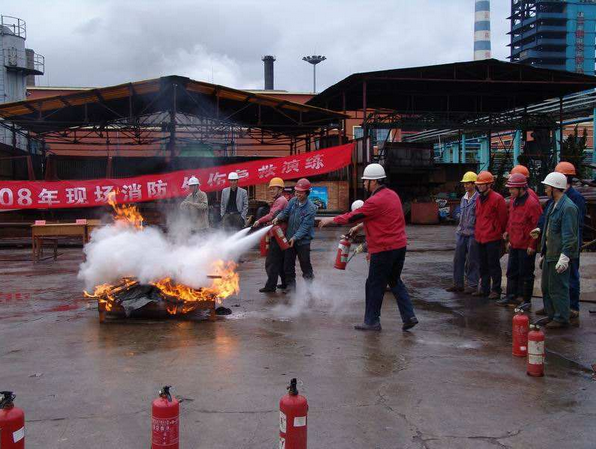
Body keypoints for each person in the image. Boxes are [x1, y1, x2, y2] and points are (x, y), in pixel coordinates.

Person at [319, 163, 418, 332]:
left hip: (383, 248)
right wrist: (359, 227)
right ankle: (409, 316)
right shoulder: (392, 195)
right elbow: (381, 217)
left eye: (365, 181)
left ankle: (372, 321)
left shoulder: (375, 200)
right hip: (399, 246)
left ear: (374, 182)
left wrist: (331, 220)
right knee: (395, 281)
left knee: (373, 284)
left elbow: (354, 215)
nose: (364, 184)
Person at [532, 161, 586, 326]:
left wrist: (565, 256)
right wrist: (543, 245)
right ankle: (551, 313)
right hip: (550, 252)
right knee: (547, 286)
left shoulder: (568, 207)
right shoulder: (553, 204)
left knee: (560, 287)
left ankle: (561, 317)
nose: (545, 189)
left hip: (560, 253)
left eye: (547, 187)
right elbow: (548, 227)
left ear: (555, 188)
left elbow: (570, 234)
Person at [497, 173, 542, 309]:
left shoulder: (532, 204)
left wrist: (532, 245)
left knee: (526, 273)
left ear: (522, 188)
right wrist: (509, 236)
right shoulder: (514, 201)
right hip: (515, 243)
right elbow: (512, 221)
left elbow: (537, 227)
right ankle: (511, 296)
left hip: (526, 245)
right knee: (512, 271)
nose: (510, 191)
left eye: (512, 189)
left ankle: (526, 300)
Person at [272, 178, 316, 292]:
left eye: (301, 192)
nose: (297, 194)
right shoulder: (293, 201)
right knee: (288, 266)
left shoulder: (311, 208)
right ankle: (291, 288)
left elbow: (305, 227)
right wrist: (278, 217)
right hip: (289, 239)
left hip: (303, 242)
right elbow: (285, 212)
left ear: (307, 193)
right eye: (296, 191)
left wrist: (295, 238)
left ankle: (309, 288)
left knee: (305, 266)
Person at [473, 171, 508, 300]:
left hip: (492, 237)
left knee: (493, 265)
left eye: (482, 184)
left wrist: (501, 233)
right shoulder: (478, 199)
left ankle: (496, 290)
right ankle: (484, 289)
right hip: (480, 237)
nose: (480, 187)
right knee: (483, 265)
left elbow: (503, 218)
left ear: (489, 185)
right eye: (479, 185)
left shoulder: (497, 199)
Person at [446, 171, 480, 294]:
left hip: (472, 233)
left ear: (474, 184)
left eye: (468, 183)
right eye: (464, 183)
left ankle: (472, 284)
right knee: (458, 259)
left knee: (472, 260)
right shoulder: (463, 198)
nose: (465, 185)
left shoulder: (478, 199)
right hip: (461, 233)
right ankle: (458, 283)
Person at [253, 177, 289, 293]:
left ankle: (270, 286)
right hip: (280, 235)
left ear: (281, 189)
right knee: (279, 262)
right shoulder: (280, 200)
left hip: (278, 236)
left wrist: (259, 221)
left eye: (274, 189)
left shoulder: (280, 201)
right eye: (271, 189)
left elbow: (271, 215)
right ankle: (284, 283)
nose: (272, 191)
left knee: (271, 262)